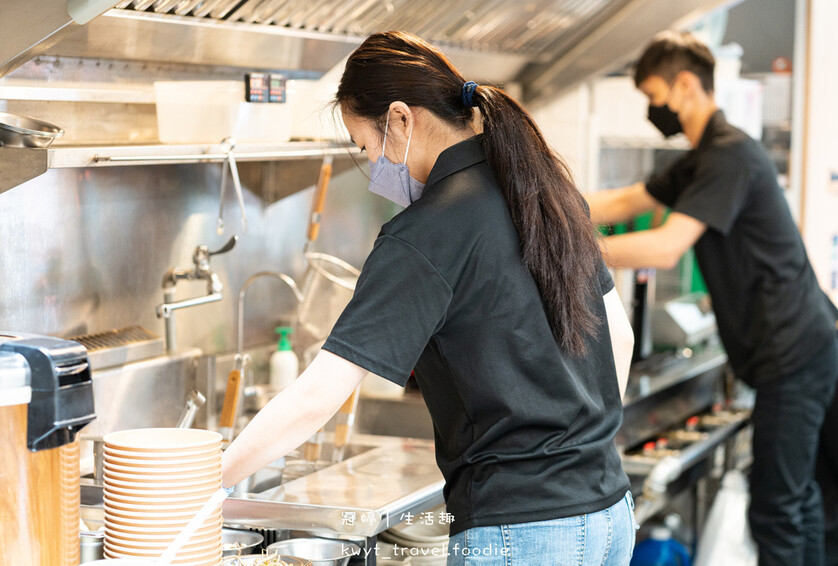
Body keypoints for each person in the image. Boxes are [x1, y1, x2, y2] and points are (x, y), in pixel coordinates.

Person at [222, 31, 637, 565]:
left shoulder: (424, 233)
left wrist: (210, 481)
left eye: (366, 146)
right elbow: (617, 336)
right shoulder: (541, 190)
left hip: (520, 529)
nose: (373, 165)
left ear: (400, 120)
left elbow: (316, 397)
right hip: (609, 512)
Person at [586, 30, 838, 566]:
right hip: (796, 350)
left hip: (794, 354)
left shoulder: (729, 156)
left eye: (654, 96)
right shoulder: (704, 157)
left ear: (684, 85)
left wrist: (567, 248)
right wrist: (542, 202)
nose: (652, 110)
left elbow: (664, 246)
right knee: (799, 499)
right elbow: (629, 200)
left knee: (777, 508)